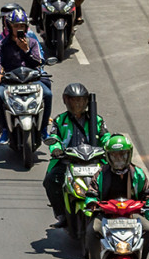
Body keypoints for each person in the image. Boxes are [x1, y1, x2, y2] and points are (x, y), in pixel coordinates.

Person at [84, 135, 149, 259]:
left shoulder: (138, 173)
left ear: (129, 154)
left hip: (131, 215)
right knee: (91, 231)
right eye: (114, 155)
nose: (119, 158)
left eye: (122, 154)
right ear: (108, 156)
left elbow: (147, 196)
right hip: (106, 215)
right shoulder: (100, 174)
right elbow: (91, 192)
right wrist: (91, 202)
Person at [43, 83, 109, 228]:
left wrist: (108, 145)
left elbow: (105, 136)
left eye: (80, 100)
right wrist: (56, 149)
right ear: (66, 101)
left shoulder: (96, 119)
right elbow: (55, 138)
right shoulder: (60, 120)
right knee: (50, 180)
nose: (77, 104)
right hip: (68, 160)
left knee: (110, 179)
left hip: (94, 159)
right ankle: (61, 214)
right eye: (73, 100)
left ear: (86, 101)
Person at [0, 6, 52, 143]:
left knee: (48, 94)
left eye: (22, 26)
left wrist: (26, 50)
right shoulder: (1, 44)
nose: (19, 29)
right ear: (10, 26)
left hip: (31, 79)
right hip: (10, 80)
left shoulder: (32, 42)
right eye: (16, 26)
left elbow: (38, 63)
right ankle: (4, 129)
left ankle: (44, 129)